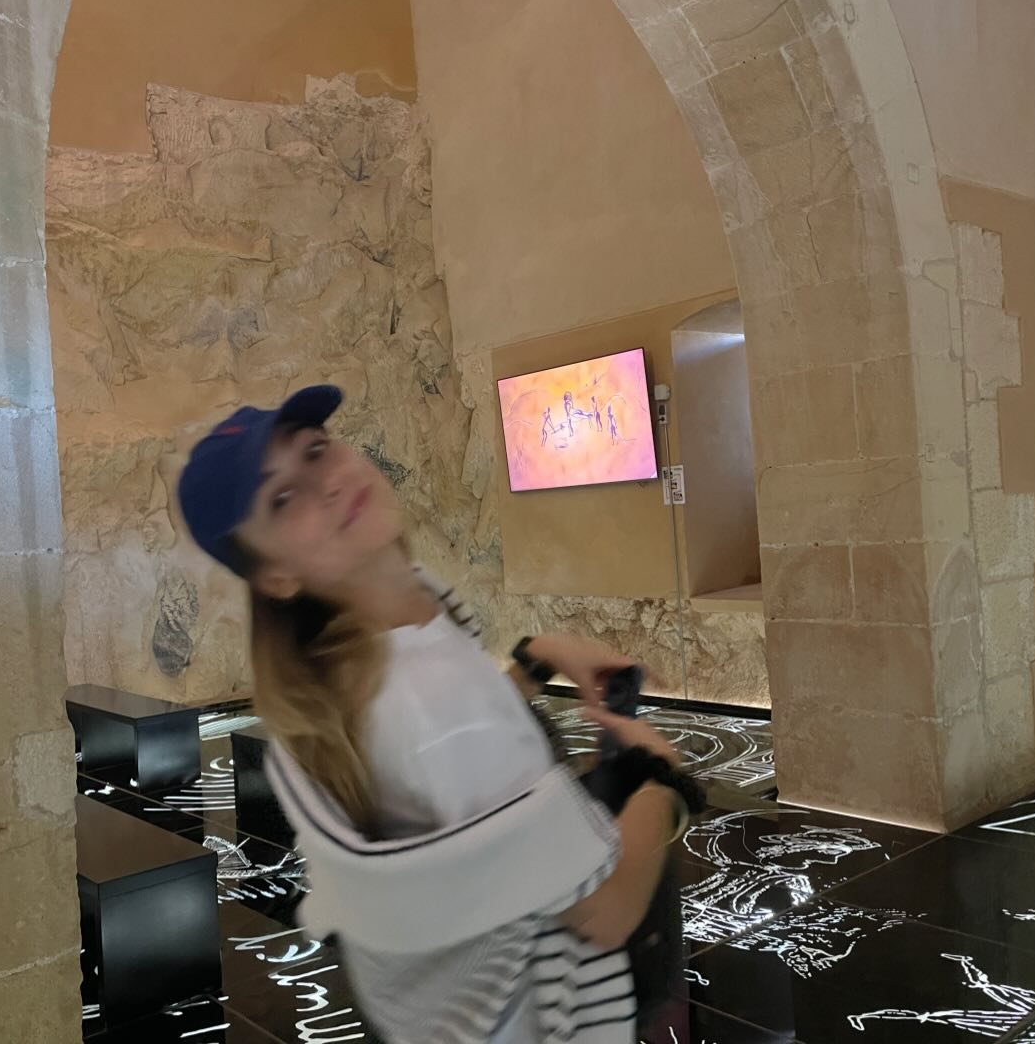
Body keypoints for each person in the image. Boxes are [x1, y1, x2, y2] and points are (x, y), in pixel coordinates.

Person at [178, 385, 687, 1044]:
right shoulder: (424, 699)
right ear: (275, 576)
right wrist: (664, 785)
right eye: (281, 498)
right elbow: (602, 914)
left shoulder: (380, 640)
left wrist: (536, 661)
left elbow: (451, 761)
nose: (325, 483)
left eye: (316, 450)